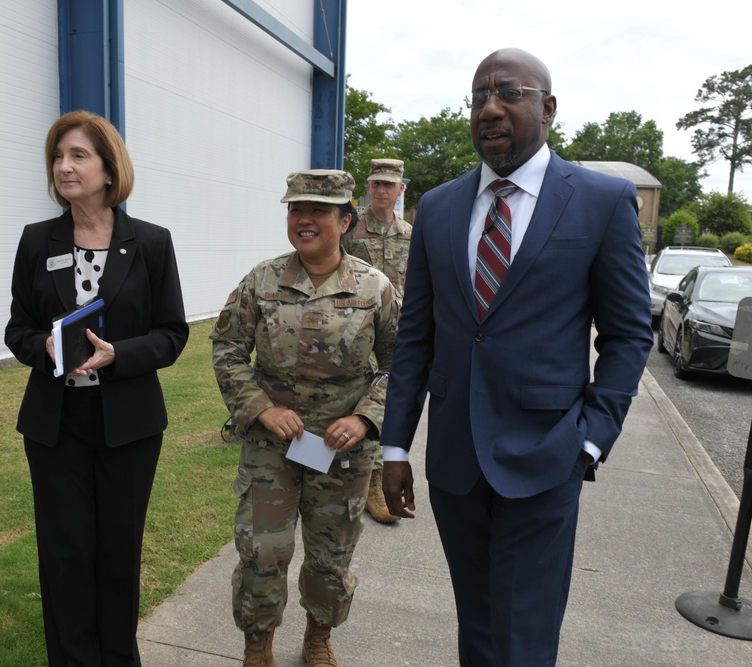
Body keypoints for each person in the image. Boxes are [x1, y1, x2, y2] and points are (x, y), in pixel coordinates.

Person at [380, 48, 652, 666]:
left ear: (548, 107)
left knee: (525, 633)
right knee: (475, 625)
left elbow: (629, 335)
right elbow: (416, 336)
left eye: (508, 93)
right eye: (478, 97)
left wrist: (590, 438)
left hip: (547, 456)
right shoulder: (440, 207)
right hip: (454, 461)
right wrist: (397, 446)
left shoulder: (601, 201)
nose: (489, 108)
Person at [5, 110, 189, 666]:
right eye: (58, 156)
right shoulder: (37, 241)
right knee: (65, 555)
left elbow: (173, 334)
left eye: (78, 155)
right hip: (55, 425)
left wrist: (118, 356)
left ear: (110, 169)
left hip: (128, 425)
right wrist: (46, 349)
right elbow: (17, 329)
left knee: (117, 553)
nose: (65, 166)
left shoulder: (151, 242)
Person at [209, 169, 398, 667]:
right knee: (261, 554)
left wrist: (364, 420)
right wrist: (261, 408)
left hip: (342, 452)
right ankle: (258, 648)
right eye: (296, 209)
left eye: (318, 210)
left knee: (330, 558)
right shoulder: (262, 280)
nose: (305, 219)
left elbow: (401, 365)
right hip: (273, 446)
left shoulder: (375, 287)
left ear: (346, 220)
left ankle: (318, 638)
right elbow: (228, 347)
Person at [341, 158, 412, 524]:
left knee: (388, 394)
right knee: (353, 392)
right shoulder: (350, 229)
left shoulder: (411, 234)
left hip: (396, 329)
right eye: (375, 184)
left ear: (401, 189)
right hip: (354, 324)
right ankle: (356, 471)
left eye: (388, 184)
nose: (381, 190)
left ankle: (376, 473)